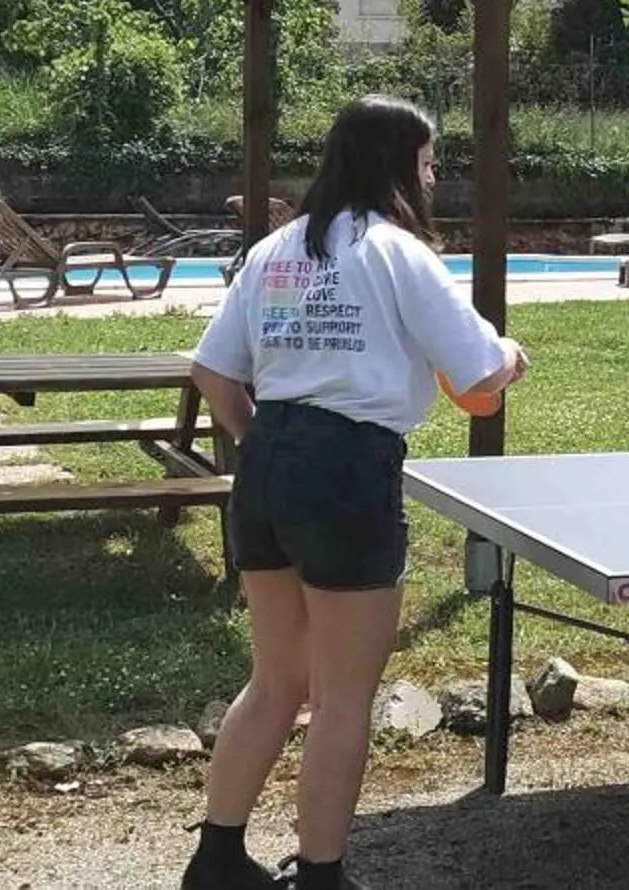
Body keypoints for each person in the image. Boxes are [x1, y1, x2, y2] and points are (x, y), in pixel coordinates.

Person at [181, 95, 527, 889]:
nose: (435, 175)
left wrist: (266, 443)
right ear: (399, 163)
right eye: (431, 161)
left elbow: (211, 371)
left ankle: (218, 859)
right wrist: (510, 354)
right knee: (341, 697)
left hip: (265, 466)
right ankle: (324, 877)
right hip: (347, 470)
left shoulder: (273, 250)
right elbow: (477, 375)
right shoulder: (398, 251)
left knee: (275, 682)